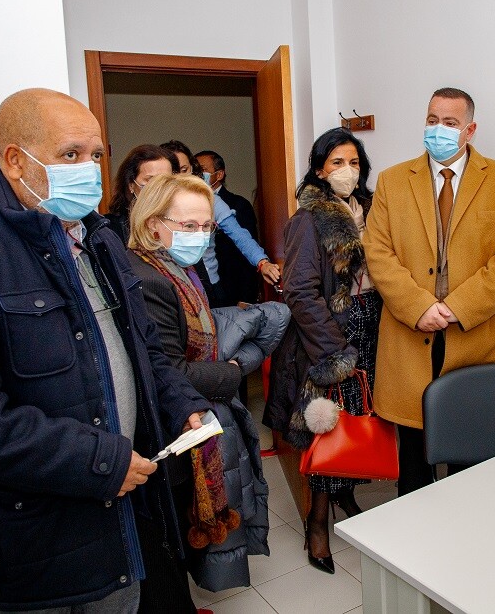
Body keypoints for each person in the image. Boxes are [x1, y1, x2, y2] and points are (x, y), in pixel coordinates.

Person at [0, 88, 212, 612]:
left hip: (118, 526)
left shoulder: (100, 241)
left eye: (96, 155)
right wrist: (98, 461)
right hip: (29, 549)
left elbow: (144, 349)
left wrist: (180, 402)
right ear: (16, 161)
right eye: (70, 154)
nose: (89, 169)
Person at [126, 173, 290, 607]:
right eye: (188, 226)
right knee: (169, 538)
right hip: (171, 423)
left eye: (206, 226)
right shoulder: (149, 279)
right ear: (153, 224)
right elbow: (169, 370)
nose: (199, 236)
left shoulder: (177, 266)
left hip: (187, 413)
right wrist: (231, 372)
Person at [362, 87, 495, 496]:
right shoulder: (391, 181)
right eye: (432, 120)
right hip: (409, 337)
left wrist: (456, 307)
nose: (438, 129)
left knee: (470, 459)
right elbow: (378, 252)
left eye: (450, 123)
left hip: (476, 339)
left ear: (469, 130)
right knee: (414, 460)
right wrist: (418, 306)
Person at [264, 128, 381, 574]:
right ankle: (316, 524)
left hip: (371, 326)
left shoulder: (372, 209)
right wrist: (334, 351)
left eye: (354, 163)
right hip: (327, 335)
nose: (347, 171)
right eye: (337, 163)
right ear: (319, 169)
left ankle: (346, 492)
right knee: (327, 425)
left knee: (360, 417)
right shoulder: (308, 219)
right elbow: (299, 290)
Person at [160, 140, 280, 308]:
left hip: (210, 286)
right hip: (172, 286)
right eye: (173, 171)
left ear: (193, 169)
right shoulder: (156, 204)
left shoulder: (211, 200)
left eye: (184, 170)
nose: (180, 177)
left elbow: (239, 234)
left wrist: (262, 262)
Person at [194, 149, 261, 307]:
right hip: (202, 283)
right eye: (195, 170)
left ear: (219, 174)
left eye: (202, 170)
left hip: (231, 289)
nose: (197, 175)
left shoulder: (238, 204)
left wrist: (246, 296)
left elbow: (244, 249)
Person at [105, 144, 180, 243]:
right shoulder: (109, 228)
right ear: (131, 184)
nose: (159, 186)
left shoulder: (184, 221)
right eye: (151, 180)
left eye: (166, 180)